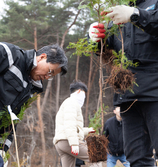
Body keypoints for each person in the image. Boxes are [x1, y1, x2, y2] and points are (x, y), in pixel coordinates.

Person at [89, 0, 158, 166]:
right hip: (128, 98)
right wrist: (94, 37)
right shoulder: (118, 12)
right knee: (137, 158)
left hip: (156, 93)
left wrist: (136, 15)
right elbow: (107, 46)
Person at [53, 80, 95, 167]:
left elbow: (71, 128)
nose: (84, 98)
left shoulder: (67, 103)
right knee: (97, 157)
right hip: (68, 141)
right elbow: (70, 124)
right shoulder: (72, 103)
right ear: (79, 91)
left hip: (61, 143)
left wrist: (87, 130)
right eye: (84, 95)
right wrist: (74, 144)